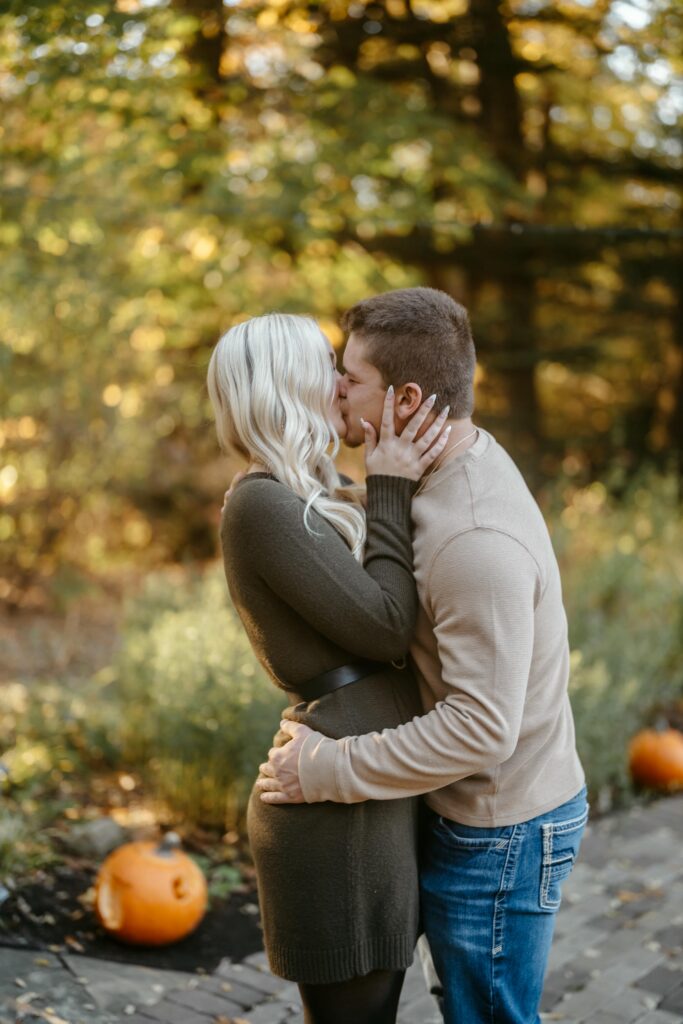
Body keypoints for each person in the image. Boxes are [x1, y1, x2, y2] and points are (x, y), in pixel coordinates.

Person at [256, 287, 589, 1024]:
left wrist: (327, 771)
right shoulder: (432, 471)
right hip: (465, 811)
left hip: (501, 833)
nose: (332, 388)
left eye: (351, 378)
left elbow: (480, 729)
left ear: (405, 399)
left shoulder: (473, 540)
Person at [207, 312, 451, 1024]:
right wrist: (389, 488)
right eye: (327, 366)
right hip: (333, 811)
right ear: (287, 384)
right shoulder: (260, 504)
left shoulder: (314, 491)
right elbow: (381, 625)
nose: (342, 381)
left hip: (366, 787)